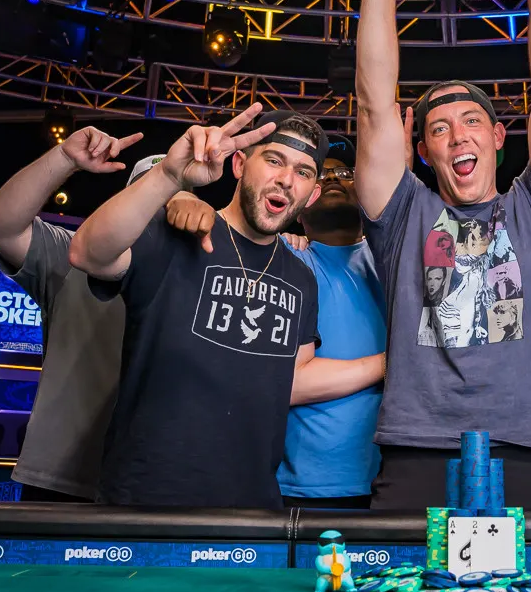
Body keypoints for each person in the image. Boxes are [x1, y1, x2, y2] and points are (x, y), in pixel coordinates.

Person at [354, 0, 531, 510]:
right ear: (424, 150)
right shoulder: (404, 216)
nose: (458, 136)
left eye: (471, 122)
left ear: (498, 136)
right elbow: (375, 106)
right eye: (439, 129)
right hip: (421, 450)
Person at [67, 106, 386, 508]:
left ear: (312, 194)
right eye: (274, 160)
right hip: (145, 499)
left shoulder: (300, 277)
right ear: (238, 164)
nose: (286, 180)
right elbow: (87, 253)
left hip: (254, 506)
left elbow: (294, 378)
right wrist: (170, 178)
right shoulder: (177, 233)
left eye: (304, 172)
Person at [0, 125, 146, 502]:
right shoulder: (74, 256)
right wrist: (65, 158)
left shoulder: (203, 281)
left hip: (155, 483)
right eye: (147, 196)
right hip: (64, 481)